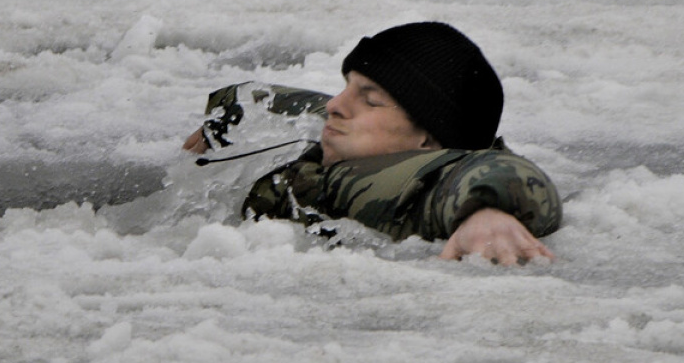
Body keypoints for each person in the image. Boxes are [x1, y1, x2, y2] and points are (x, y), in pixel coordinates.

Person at [183, 21, 562, 266]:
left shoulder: (416, 194)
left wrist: (486, 211)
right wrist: (228, 113)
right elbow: (297, 102)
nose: (337, 106)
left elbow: (509, 176)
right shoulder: (351, 138)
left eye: (371, 99)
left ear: (428, 141)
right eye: (347, 86)